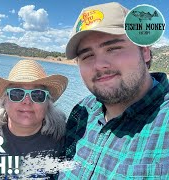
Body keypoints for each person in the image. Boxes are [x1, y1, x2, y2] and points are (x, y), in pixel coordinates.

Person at [60, 2, 169, 179]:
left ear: (145, 51)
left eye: (113, 48)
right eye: (87, 56)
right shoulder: (81, 113)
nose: (99, 65)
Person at [0, 59, 68, 179]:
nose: (27, 101)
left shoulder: (62, 141)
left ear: (47, 103)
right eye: (17, 93)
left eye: (37, 94)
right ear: (4, 100)